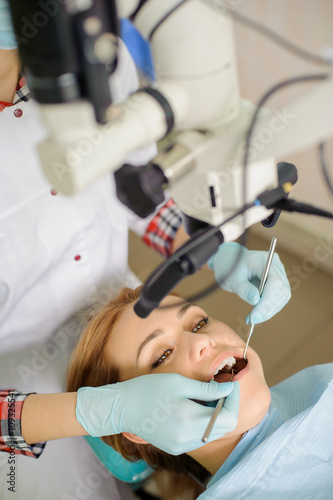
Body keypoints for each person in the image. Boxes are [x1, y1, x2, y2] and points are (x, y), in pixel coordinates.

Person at [0, 0, 291, 497]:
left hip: (123, 323)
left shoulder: (94, 50)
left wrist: (210, 249)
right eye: (160, 357)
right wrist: (96, 412)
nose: (202, 337)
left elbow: (133, 188)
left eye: (196, 318)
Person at [67, 285, 333, 500]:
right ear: (141, 425)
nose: (203, 340)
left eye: (198, 323)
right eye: (162, 356)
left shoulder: (321, 381)